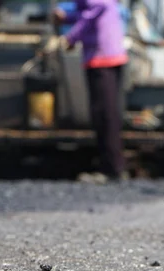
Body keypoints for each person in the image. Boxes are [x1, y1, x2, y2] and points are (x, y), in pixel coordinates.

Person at [54, 0, 129, 182]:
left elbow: (98, 6)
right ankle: (109, 166)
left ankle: (112, 169)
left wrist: (71, 37)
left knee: (105, 114)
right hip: (101, 54)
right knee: (101, 113)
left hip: (103, 55)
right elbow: (88, 11)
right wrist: (66, 18)